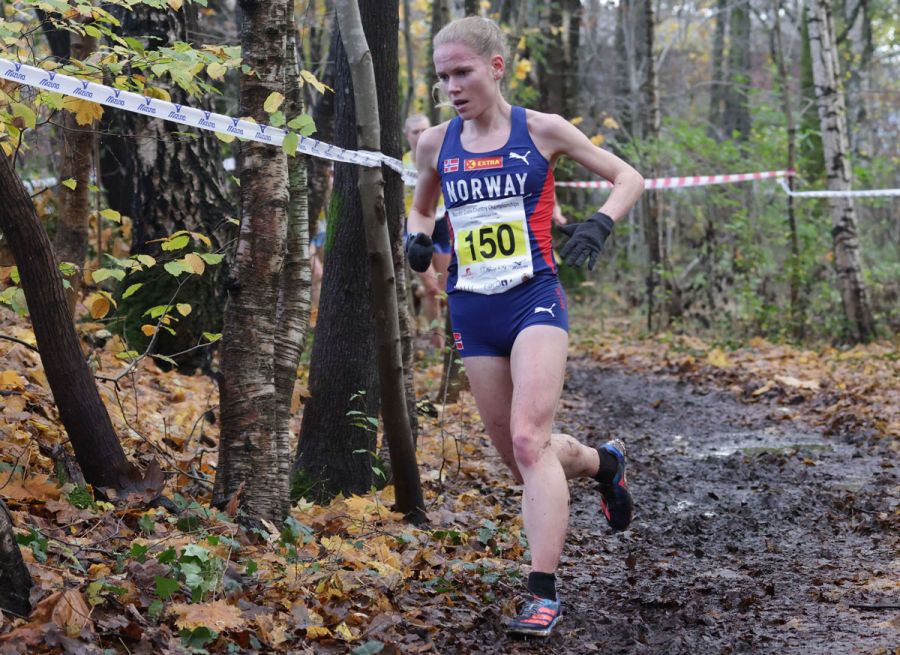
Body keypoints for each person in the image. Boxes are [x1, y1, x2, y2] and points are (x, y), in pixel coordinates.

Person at [404, 16, 644, 638]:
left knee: (529, 440)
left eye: (463, 72)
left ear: (496, 67)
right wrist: (417, 238)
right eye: (443, 77)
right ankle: (603, 463)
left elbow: (629, 177)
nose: (452, 87)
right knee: (523, 460)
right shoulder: (434, 143)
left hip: (534, 297)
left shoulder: (542, 130)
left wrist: (600, 224)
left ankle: (542, 595)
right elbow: (422, 206)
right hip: (472, 308)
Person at [403, 114, 452, 352]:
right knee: (433, 288)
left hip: (441, 224)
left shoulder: (439, 157)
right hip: (413, 228)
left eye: (425, 130)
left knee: (443, 290)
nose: (421, 135)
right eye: (416, 132)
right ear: (407, 136)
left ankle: (420, 293)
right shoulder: (401, 162)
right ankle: (437, 343)